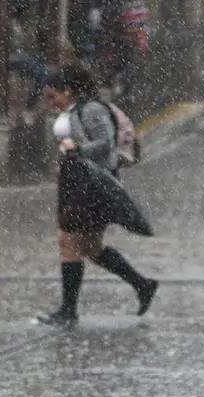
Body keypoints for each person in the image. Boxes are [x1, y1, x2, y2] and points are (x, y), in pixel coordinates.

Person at [37, 66, 158, 326]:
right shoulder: (74, 111)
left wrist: (76, 150)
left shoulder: (91, 109)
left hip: (91, 186)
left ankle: (68, 311)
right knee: (89, 247)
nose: (51, 103)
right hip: (80, 182)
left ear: (67, 91)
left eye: (52, 96)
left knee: (68, 242)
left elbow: (106, 143)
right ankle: (142, 284)